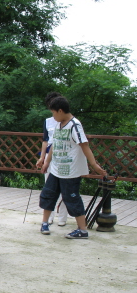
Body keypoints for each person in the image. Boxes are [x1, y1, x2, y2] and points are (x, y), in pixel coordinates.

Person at [40, 96, 106, 239]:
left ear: (60, 110)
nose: (53, 116)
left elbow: (84, 145)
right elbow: (54, 146)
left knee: (71, 198)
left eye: (53, 113)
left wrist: (94, 164)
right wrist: (46, 161)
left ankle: (82, 230)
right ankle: (44, 223)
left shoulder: (75, 125)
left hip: (70, 171)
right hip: (56, 169)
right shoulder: (58, 125)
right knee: (48, 194)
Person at [36, 92, 68, 226]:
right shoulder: (48, 121)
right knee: (49, 187)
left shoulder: (69, 122)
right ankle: (49, 216)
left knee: (65, 187)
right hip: (49, 154)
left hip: (64, 156)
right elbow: (45, 140)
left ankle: (63, 217)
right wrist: (42, 157)